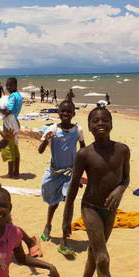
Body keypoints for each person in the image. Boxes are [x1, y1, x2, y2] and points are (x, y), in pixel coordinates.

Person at [63, 106, 130, 277]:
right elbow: (73, 187)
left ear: (112, 124)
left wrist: (119, 191)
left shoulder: (122, 150)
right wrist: (66, 218)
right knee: (102, 257)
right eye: (95, 121)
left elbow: (126, 179)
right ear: (90, 127)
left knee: (94, 251)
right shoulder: (85, 154)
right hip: (90, 207)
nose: (100, 123)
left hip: (109, 210)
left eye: (105, 119)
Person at [38, 100, 86, 257]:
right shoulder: (52, 129)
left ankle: (64, 240)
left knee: (69, 203)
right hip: (54, 172)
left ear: (74, 113)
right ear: (58, 113)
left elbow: (83, 150)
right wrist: (47, 139)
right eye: (62, 111)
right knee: (53, 202)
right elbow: (40, 150)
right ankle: (48, 224)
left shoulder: (78, 130)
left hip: (70, 174)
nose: (65, 114)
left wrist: (80, 173)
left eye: (69, 111)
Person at [0, 77, 23, 178]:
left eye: (10, 85)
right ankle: (16, 171)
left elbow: (8, 111)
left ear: (15, 85)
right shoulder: (18, 95)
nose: (8, 87)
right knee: (15, 147)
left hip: (10, 123)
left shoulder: (12, 96)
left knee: (8, 147)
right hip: (16, 122)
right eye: (7, 85)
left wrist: (0, 110)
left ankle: (10, 173)